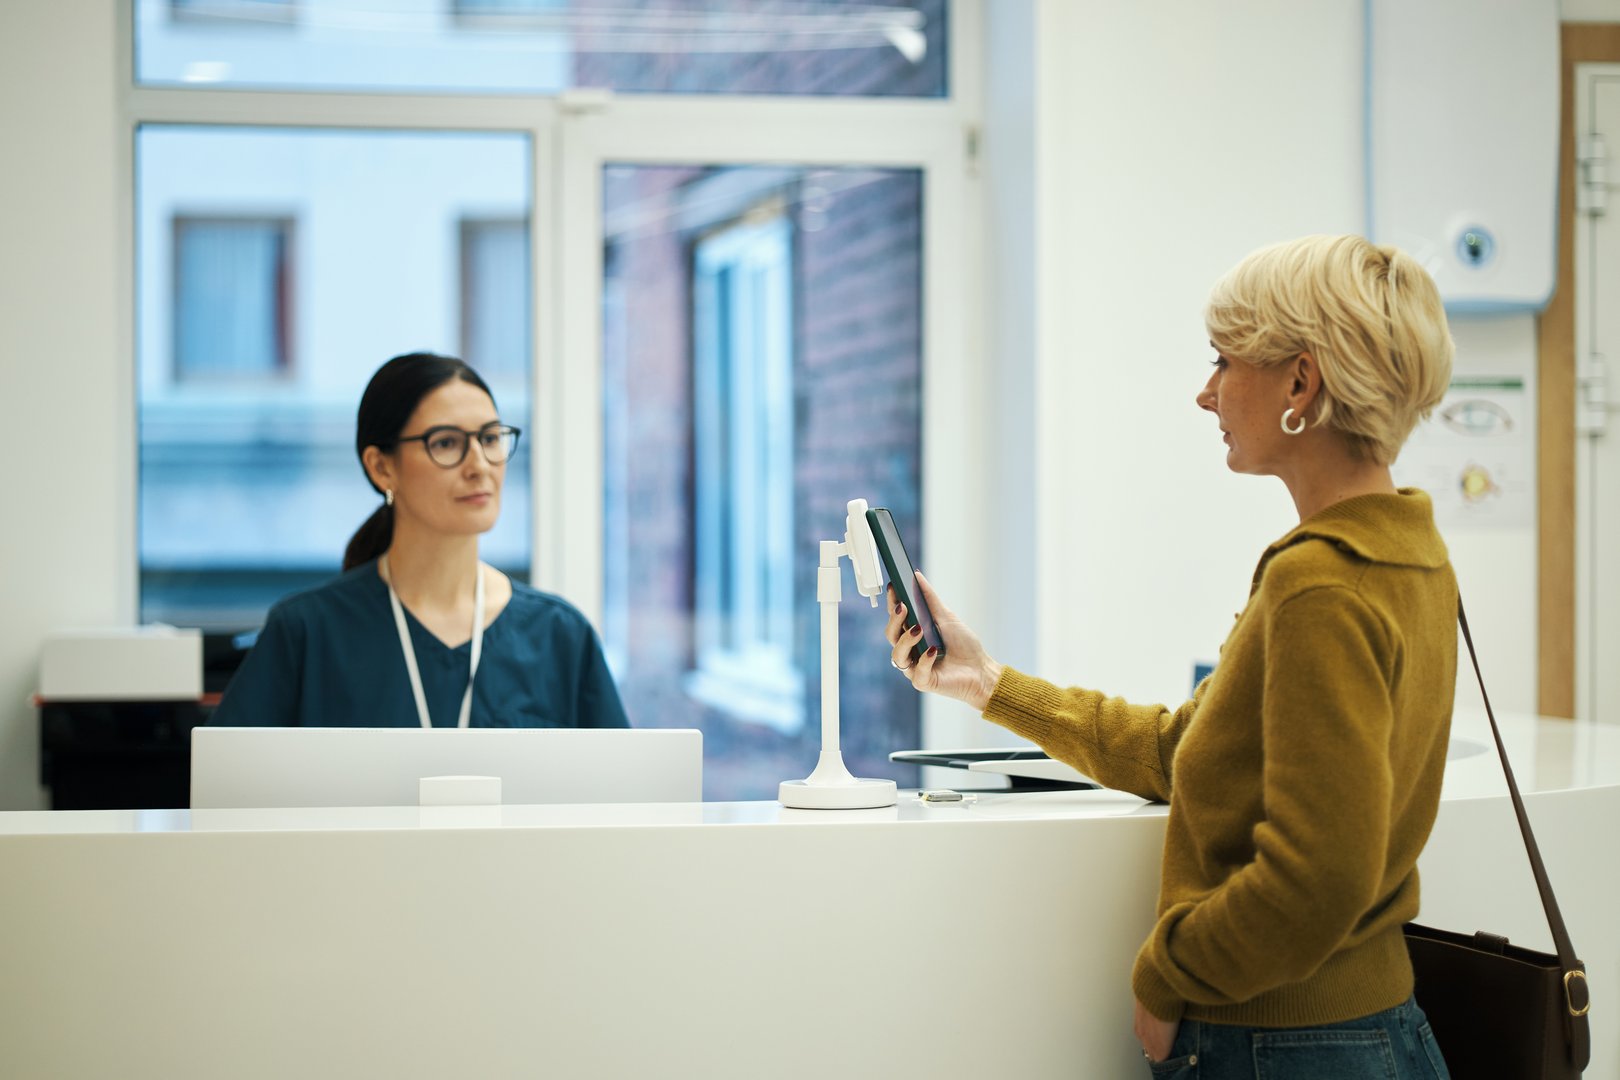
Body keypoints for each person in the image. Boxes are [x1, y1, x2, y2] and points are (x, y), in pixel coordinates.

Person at [886, 235, 1456, 1079]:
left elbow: (1320, 878)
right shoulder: (1409, 554)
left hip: (1285, 1048)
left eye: (1224, 361)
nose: (1205, 392)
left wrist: (1166, 975)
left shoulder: (1318, 584)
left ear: (1300, 383)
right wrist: (987, 684)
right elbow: (1185, 752)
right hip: (1368, 1033)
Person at [212, 352, 628, 729]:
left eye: (489, 439)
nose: (479, 466)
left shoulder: (558, 637)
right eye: (446, 443)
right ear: (381, 468)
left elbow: (620, 802)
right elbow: (227, 794)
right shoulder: (307, 633)